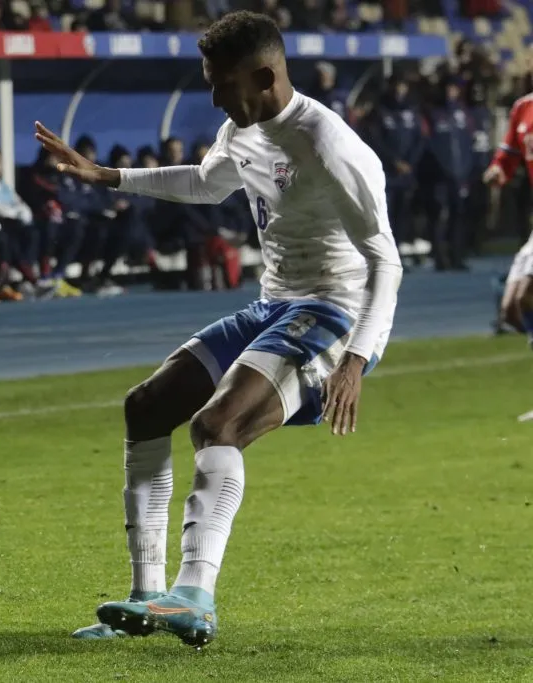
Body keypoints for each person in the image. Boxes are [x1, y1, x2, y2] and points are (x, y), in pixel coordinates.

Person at [35, 11, 402, 648]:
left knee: (217, 424)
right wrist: (106, 175)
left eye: (220, 83)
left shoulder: (329, 144)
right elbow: (207, 185)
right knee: (146, 406)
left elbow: (385, 261)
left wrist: (356, 359)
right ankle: (149, 596)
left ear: (264, 75)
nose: (213, 98)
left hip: (333, 312)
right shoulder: (242, 128)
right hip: (274, 305)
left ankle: (195, 596)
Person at [483, 91, 533, 349]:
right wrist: (498, 170)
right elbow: (508, 156)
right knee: (510, 308)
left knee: (525, 294)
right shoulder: (523, 107)